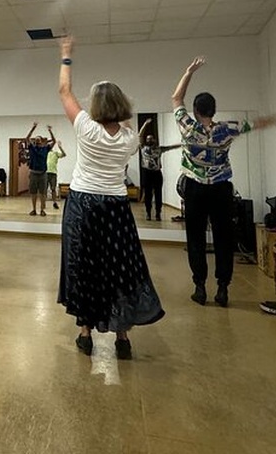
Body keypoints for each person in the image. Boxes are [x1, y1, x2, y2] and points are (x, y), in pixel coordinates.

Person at [56, 36, 165, 360]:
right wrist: (121, 104)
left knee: (85, 268)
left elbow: (64, 92)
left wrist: (66, 56)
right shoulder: (131, 139)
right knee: (119, 269)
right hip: (116, 208)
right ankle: (122, 337)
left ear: (96, 107)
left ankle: (85, 333)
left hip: (83, 206)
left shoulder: (86, 128)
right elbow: (127, 121)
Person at [172, 56, 276, 307]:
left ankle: (200, 286)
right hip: (220, 189)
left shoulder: (188, 127)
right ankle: (222, 288)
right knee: (223, 237)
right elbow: (257, 124)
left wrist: (189, 72)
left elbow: (176, 99)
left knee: (195, 237)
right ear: (214, 111)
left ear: (196, 111)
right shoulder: (227, 129)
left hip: (195, 188)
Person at [138, 118, 180, 221]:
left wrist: (181, 145)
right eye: (148, 138)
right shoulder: (143, 148)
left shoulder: (159, 149)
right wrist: (145, 124)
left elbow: (171, 147)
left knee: (158, 194)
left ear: (154, 140)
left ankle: (158, 213)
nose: (149, 140)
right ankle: (148, 213)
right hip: (147, 173)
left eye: (151, 138)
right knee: (147, 194)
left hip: (157, 173)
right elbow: (140, 135)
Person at [25, 123, 56, 216]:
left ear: (42, 141)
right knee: (33, 193)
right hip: (33, 173)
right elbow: (27, 138)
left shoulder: (46, 148)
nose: (37, 140)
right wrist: (33, 128)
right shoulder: (32, 148)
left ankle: (42, 210)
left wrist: (50, 131)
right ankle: (34, 209)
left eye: (39, 139)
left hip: (43, 174)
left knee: (43, 193)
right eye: (36, 139)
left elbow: (54, 141)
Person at [46, 141, 66, 209]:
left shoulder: (55, 153)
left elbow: (64, 154)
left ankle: (54, 202)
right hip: (45, 173)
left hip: (53, 173)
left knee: (53, 189)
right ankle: (43, 203)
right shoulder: (45, 153)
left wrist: (60, 147)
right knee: (44, 189)